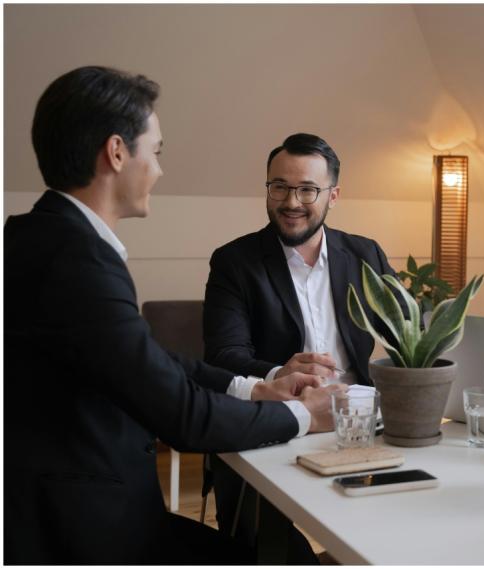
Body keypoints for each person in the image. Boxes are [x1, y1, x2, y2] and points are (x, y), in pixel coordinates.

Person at [3, 66, 344, 564]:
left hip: (83, 505)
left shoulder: (43, 237)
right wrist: (301, 415)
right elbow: (182, 416)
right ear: (117, 152)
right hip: (80, 530)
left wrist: (254, 388)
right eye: (155, 151)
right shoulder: (74, 260)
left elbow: (150, 360)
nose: (159, 170)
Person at [203, 133, 399, 561]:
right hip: (273, 423)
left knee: (406, 524)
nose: (291, 201)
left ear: (333, 194)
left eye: (307, 189)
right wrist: (279, 374)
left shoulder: (366, 254)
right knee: (268, 550)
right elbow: (222, 356)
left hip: (362, 424)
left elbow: (407, 334)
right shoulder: (234, 261)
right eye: (279, 186)